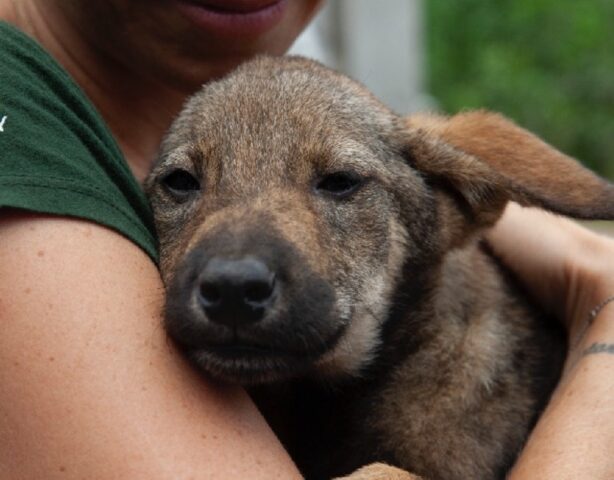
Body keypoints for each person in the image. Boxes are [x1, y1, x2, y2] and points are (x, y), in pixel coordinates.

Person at [0, 1, 611, 479]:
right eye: (182, 183)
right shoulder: (20, 121)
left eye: (339, 182)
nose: (236, 269)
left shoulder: (428, 194)